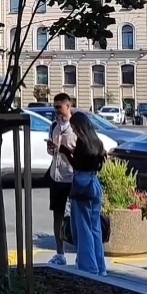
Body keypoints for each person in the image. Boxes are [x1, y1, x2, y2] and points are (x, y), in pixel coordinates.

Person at [56, 112, 106, 276]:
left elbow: (77, 165)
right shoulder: (96, 142)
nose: (74, 130)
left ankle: (88, 267)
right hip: (94, 183)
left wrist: (64, 151)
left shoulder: (82, 143)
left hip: (82, 183)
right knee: (95, 228)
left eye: (75, 126)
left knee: (82, 228)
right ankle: (100, 267)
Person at [46, 92, 76, 266]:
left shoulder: (76, 127)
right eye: (55, 107)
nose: (57, 111)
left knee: (75, 216)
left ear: (68, 106)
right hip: (56, 177)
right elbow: (51, 152)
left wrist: (64, 147)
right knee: (57, 215)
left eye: (59, 107)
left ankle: (81, 251)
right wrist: (51, 148)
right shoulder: (53, 126)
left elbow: (81, 152)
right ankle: (60, 253)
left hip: (71, 176)